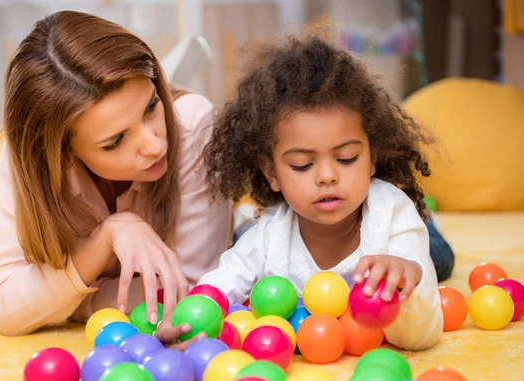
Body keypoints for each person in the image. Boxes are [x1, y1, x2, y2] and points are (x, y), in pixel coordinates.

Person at [0, 11, 231, 344]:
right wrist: (111, 232)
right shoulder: (24, 162)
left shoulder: (193, 126)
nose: (154, 144)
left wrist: (58, 296)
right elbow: (6, 307)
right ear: (64, 153)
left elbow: (190, 290)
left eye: (150, 107)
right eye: (115, 141)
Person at [181, 36, 445, 350]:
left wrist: (407, 276)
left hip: (398, 222)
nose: (327, 177)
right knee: (246, 236)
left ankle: (431, 231)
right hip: (262, 225)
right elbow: (219, 286)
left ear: (373, 156)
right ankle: (242, 221)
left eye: (346, 158)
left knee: (440, 258)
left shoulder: (393, 217)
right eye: (302, 164)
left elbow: (423, 335)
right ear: (271, 173)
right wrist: (188, 323)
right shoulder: (269, 235)